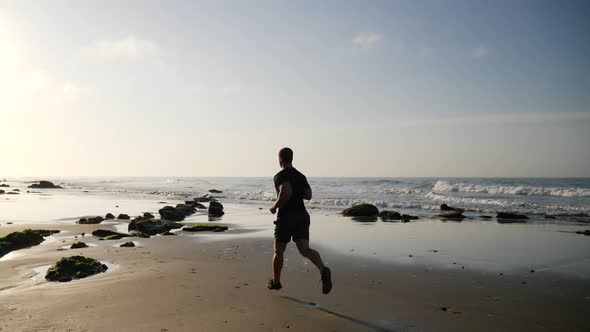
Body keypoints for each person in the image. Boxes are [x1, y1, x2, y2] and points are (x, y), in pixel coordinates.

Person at [268, 147, 332, 294]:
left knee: (279, 250)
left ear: (280, 159)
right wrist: (297, 193)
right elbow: (308, 195)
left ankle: (276, 282)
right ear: (292, 158)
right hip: (302, 216)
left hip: (286, 217)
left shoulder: (280, 176)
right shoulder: (301, 176)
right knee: (305, 249)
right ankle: (323, 269)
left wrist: (274, 207)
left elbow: (286, 191)